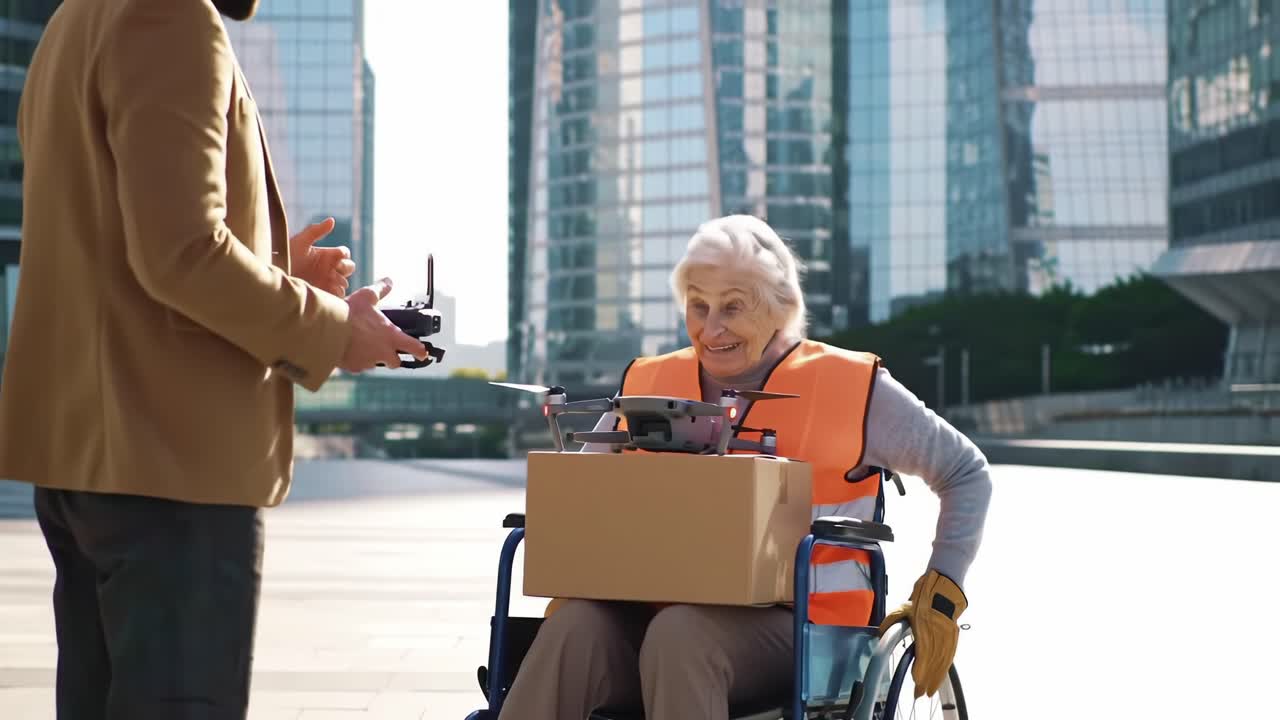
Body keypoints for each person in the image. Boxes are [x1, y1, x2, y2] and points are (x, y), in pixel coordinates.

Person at [0, 1, 428, 718]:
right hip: (170, 465)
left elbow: (112, 243)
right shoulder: (169, 16)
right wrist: (332, 329)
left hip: (99, 458)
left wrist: (277, 274)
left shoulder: (74, 20)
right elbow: (181, 254)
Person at [499, 215, 993, 720]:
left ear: (779, 306)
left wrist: (943, 590)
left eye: (733, 307)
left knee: (682, 636)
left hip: (806, 630)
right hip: (652, 617)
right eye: (698, 305)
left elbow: (965, 472)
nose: (711, 329)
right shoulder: (649, 380)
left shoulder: (851, 386)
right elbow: (584, 491)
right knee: (573, 627)